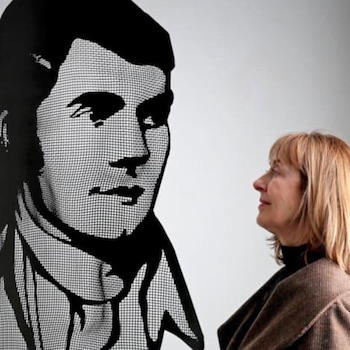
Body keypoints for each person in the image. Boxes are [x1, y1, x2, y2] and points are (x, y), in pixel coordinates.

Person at [0, 0, 204, 349]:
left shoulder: (167, 306)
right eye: (97, 112)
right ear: (14, 131)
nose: (135, 150)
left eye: (152, 117)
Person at [218, 132, 350, 349]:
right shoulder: (292, 281)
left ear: (315, 189)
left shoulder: (330, 303)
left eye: (276, 171)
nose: (259, 183)